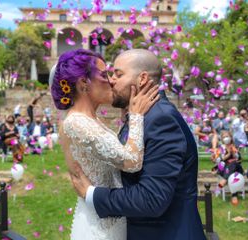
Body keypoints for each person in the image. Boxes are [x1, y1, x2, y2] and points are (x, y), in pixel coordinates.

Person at [69, 49, 206, 240]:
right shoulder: (143, 115)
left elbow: (151, 199)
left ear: (142, 78)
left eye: (118, 74)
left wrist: (92, 194)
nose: (111, 80)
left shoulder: (161, 120)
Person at [51, 49, 159, 240]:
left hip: (110, 215)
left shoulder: (90, 120)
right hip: (100, 227)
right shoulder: (77, 122)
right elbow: (132, 162)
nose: (110, 80)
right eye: (104, 74)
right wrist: (136, 117)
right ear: (84, 83)